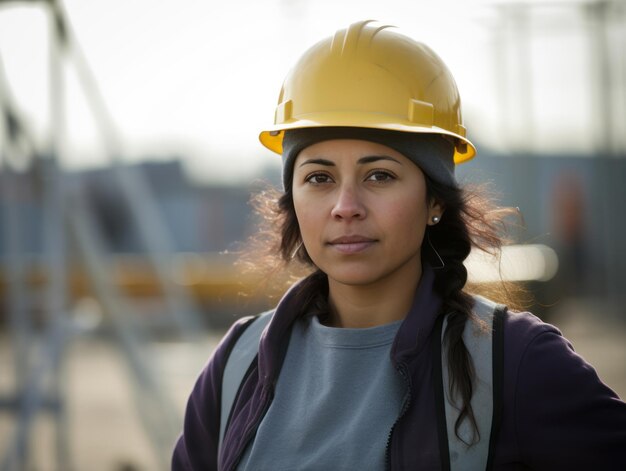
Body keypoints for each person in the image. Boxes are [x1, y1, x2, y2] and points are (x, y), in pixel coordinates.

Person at [172, 20, 626, 470]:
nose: (345, 206)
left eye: (379, 175)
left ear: (434, 200)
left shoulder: (517, 362)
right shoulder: (237, 364)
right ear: (292, 199)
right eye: (319, 178)